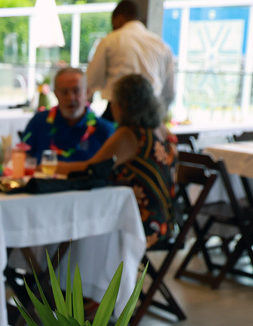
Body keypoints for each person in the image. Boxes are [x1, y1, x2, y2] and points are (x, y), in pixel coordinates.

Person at [58, 74, 176, 247]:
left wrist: (51, 167)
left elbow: (90, 168)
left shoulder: (130, 135)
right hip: (166, 222)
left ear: (123, 105)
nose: (111, 106)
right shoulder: (163, 131)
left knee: (74, 227)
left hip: (139, 225)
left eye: (113, 101)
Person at [86, 0, 175, 121]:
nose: (113, 27)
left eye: (112, 23)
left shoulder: (111, 40)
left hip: (119, 110)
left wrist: (85, 109)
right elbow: (169, 91)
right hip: (149, 110)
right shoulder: (161, 44)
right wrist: (159, 118)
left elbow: (92, 81)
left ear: (119, 17)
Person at [20, 67, 114, 162]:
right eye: (64, 92)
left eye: (76, 91)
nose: (71, 98)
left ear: (87, 92)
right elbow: (22, 156)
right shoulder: (38, 122)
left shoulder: (105, 130)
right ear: (56, 94)